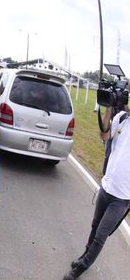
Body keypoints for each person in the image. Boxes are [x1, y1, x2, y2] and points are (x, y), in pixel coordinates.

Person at [64, 106, 130, 279]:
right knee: (95, 226)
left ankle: (81, 268)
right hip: (107, 187)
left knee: (101, 234)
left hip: (123, 197)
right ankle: (84, 256)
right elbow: (105, 136)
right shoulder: (122, 118)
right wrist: (108, 110)